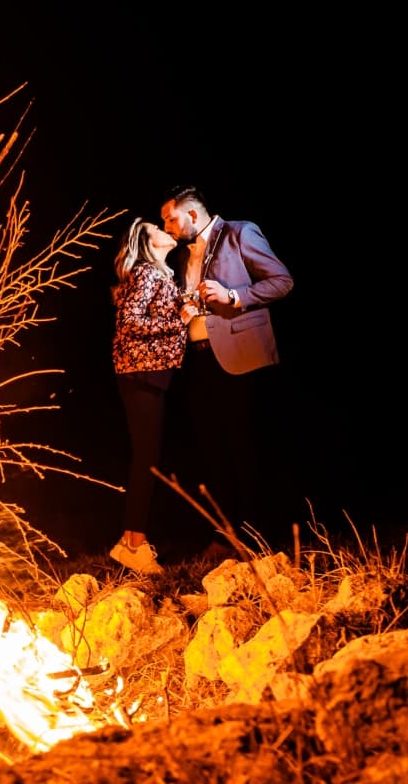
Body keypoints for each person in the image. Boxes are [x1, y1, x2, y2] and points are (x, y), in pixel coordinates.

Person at [158, 184, 294, 546]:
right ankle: (225, 536)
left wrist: (234, 295)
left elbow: (282, 281)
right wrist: (189, 310)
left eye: (170, 219)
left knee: (245, 447)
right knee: (212, 449)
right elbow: (202, 301)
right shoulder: (185, 256)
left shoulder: (239, 232)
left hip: (242, 357)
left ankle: (258, 536)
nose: (168, 228)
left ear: (191, 213)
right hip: (200, 359)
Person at [108, 216, 188, 575]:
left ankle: (129, 541)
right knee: (146, 459)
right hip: (141, 372)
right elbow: (130, 321)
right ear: (147, 242)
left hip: (146, 374)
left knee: (146, 456)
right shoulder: (147, 273)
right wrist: (179, 320)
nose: (165, 230)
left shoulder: (160, 276)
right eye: (157, 228)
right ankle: (134, 545)